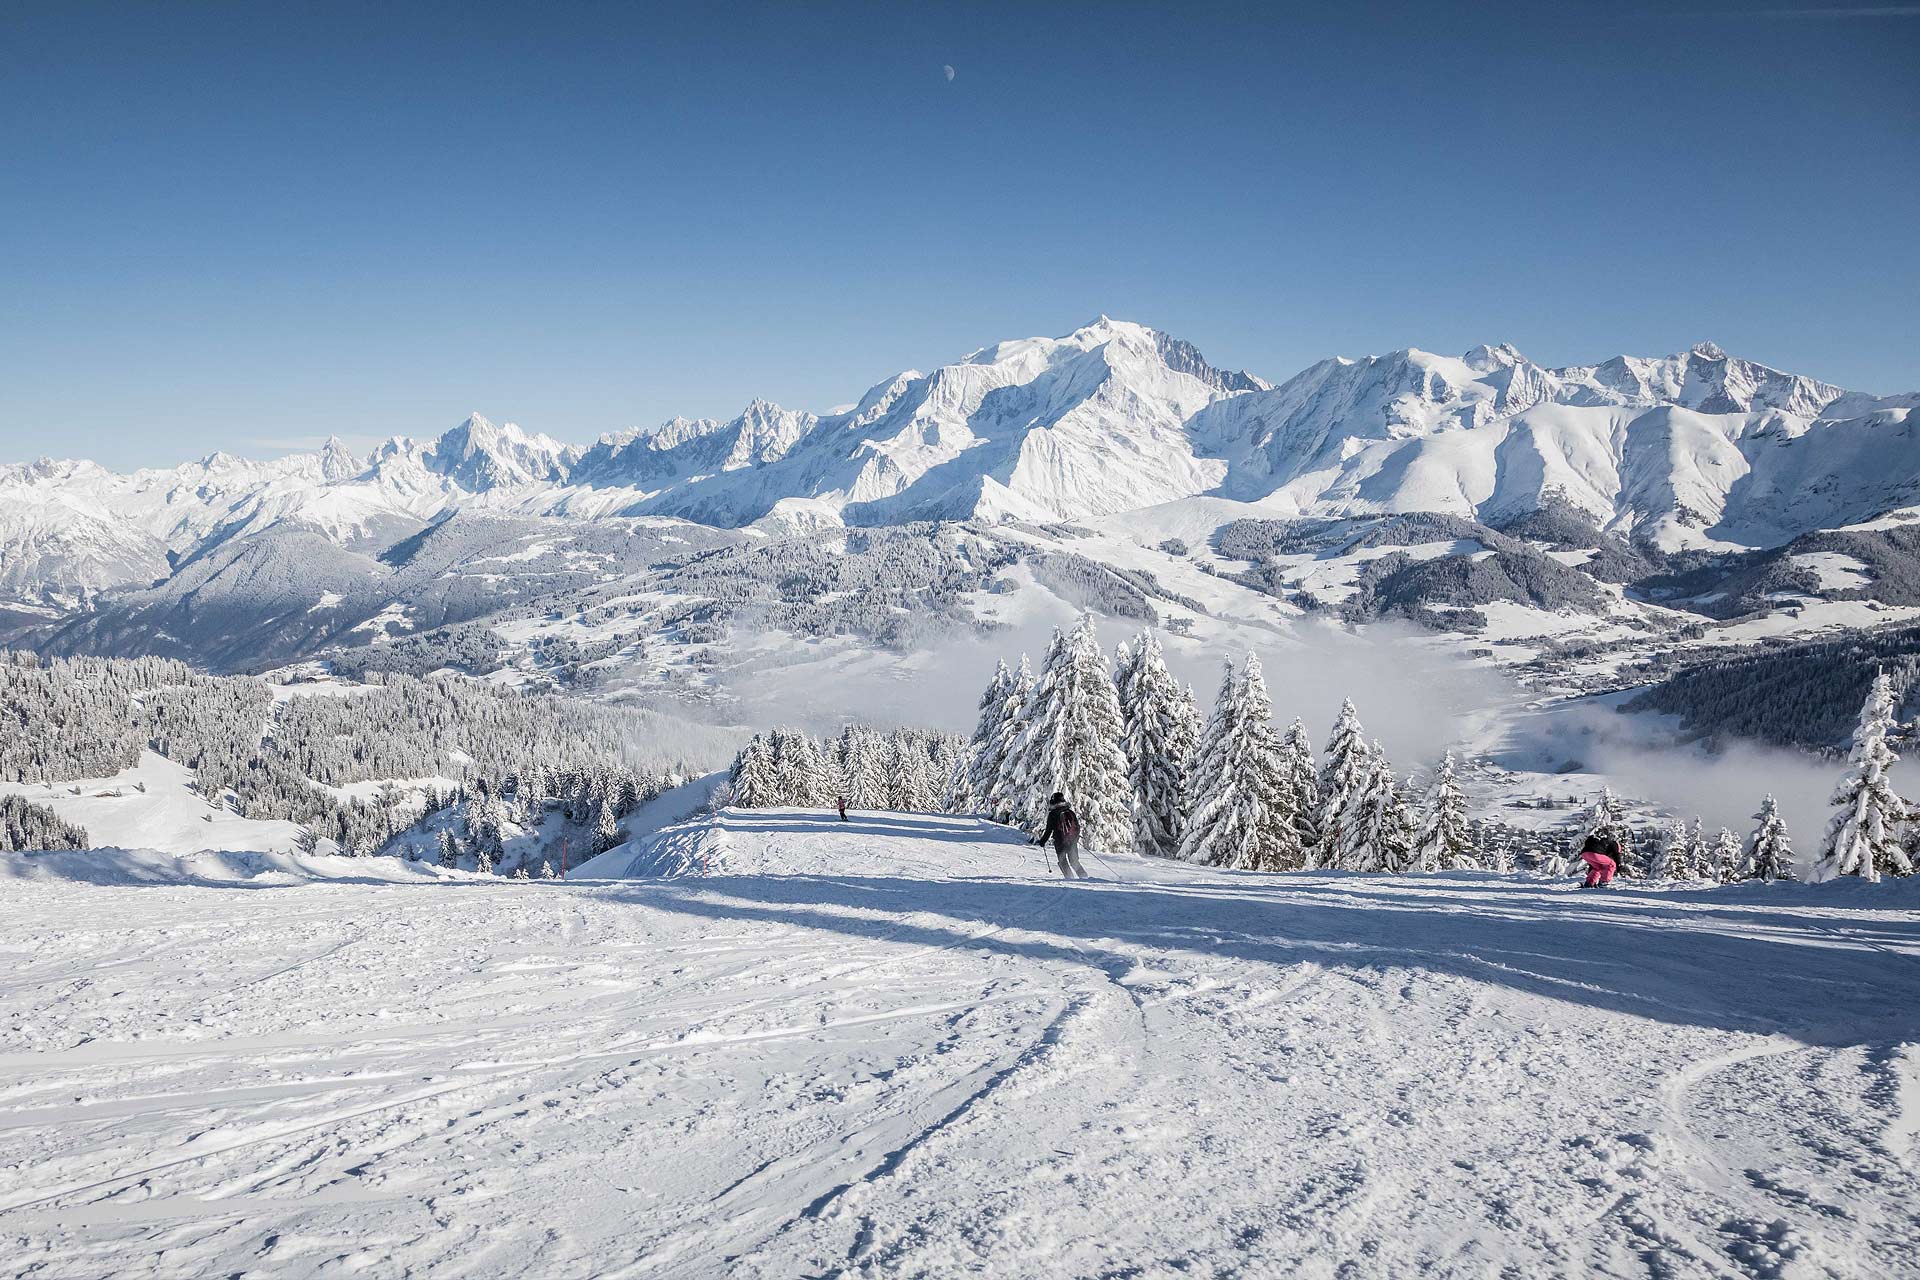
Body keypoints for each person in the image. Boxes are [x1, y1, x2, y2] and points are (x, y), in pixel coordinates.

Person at [1032, 792, 1088, 879]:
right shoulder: (1070, 812)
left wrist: (1043, 841)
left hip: (1060, 842)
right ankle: (1084, 878)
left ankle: (1069, 878)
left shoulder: (1053, 814)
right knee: (1074, 861)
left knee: (1062, 861)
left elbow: (1048, 830)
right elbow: (1077, 827)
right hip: (1072, 841)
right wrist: (1075, 839)